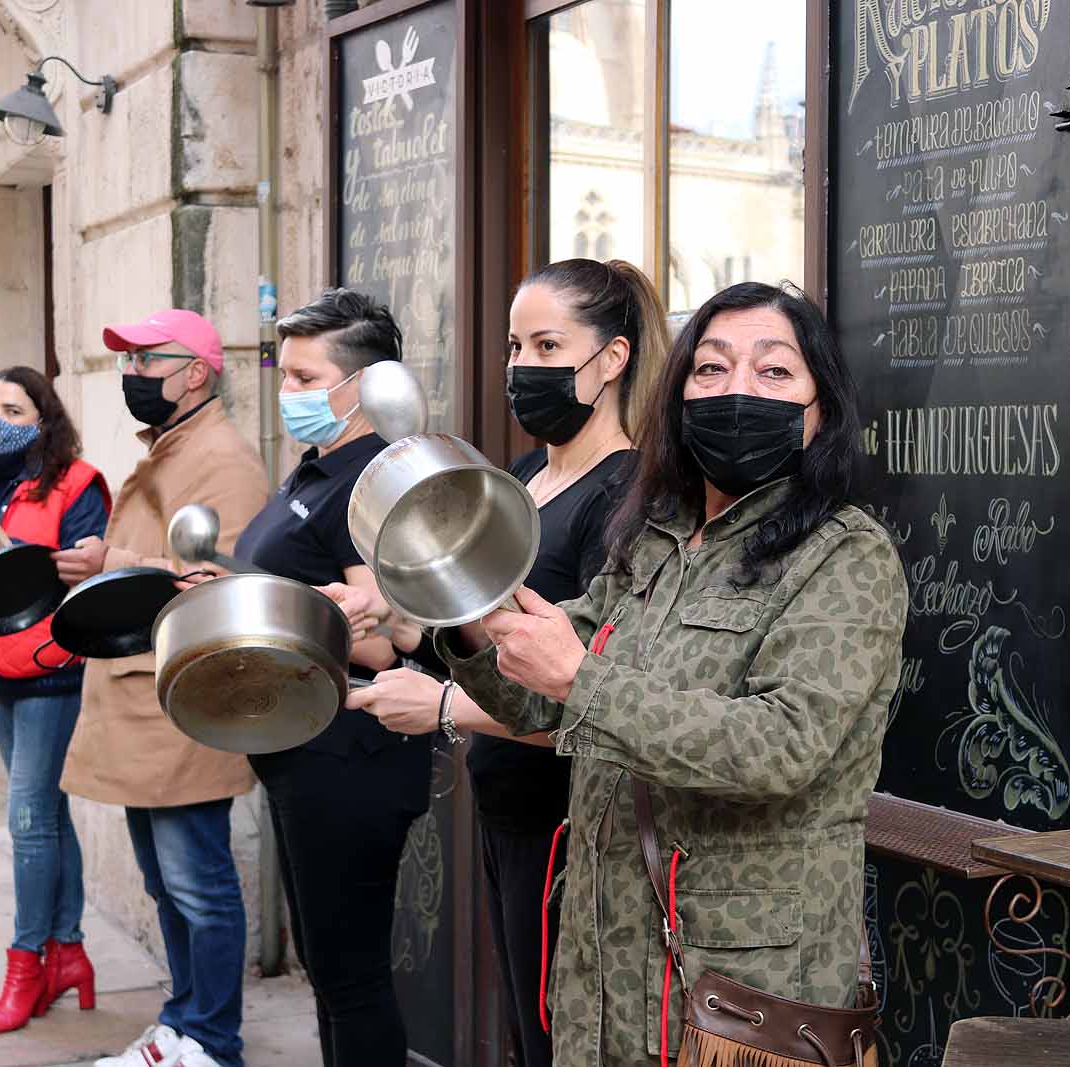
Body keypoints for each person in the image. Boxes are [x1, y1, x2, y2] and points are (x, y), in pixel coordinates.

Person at [435, 282, 909, 1067]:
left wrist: (582, 680)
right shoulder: (657, 539)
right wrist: (465, 613)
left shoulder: (844, 557)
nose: (736, 391)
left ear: (819, 408)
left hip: (735, 994)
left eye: (774, 373)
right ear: (679, 395)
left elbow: (781, 746)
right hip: (603, 969)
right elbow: (536, 689)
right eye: (712, 369)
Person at [346, 259, 670, 1067]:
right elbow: (493, 641)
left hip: (572, 829)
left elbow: (593, 695)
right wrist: (395, 612)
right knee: (530, 1034)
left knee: (562, 1039)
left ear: (613, 358)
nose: (523, 366)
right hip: (505, 810)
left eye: (548, 344)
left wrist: (442, 708)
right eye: (515, 346)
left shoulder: (628, 496)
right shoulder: (524, 478)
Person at [192, 289, 431, 1067]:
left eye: (303, 375)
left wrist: (301, 611)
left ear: (361, 385)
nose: (287, 390)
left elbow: (387, 642)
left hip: (351, 759)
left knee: (350, 976)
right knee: (329, 976)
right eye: (283, 372)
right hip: (302, 755)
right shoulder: (316, 469)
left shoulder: (376, 479)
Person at [57, 309, 270, 1067]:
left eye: (149, 360)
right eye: (130, 361)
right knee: (166, 881)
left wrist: (110, 560)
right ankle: (183, 1024)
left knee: (198, 884)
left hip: (182, 701)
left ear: (196, 373)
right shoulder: (176, 446)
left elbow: (220, 583)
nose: (133, 375)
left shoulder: (223, 458)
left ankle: (213, 1038)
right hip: (148, 698)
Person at [0, 366, 110, 1036]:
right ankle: (69, 951)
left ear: (43, 419)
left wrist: (9, 549)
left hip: (49, 666)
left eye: (14, 408)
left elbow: (80, 568)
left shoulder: (77, 482)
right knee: (48, 811)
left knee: (26, 820)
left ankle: (26, 962)